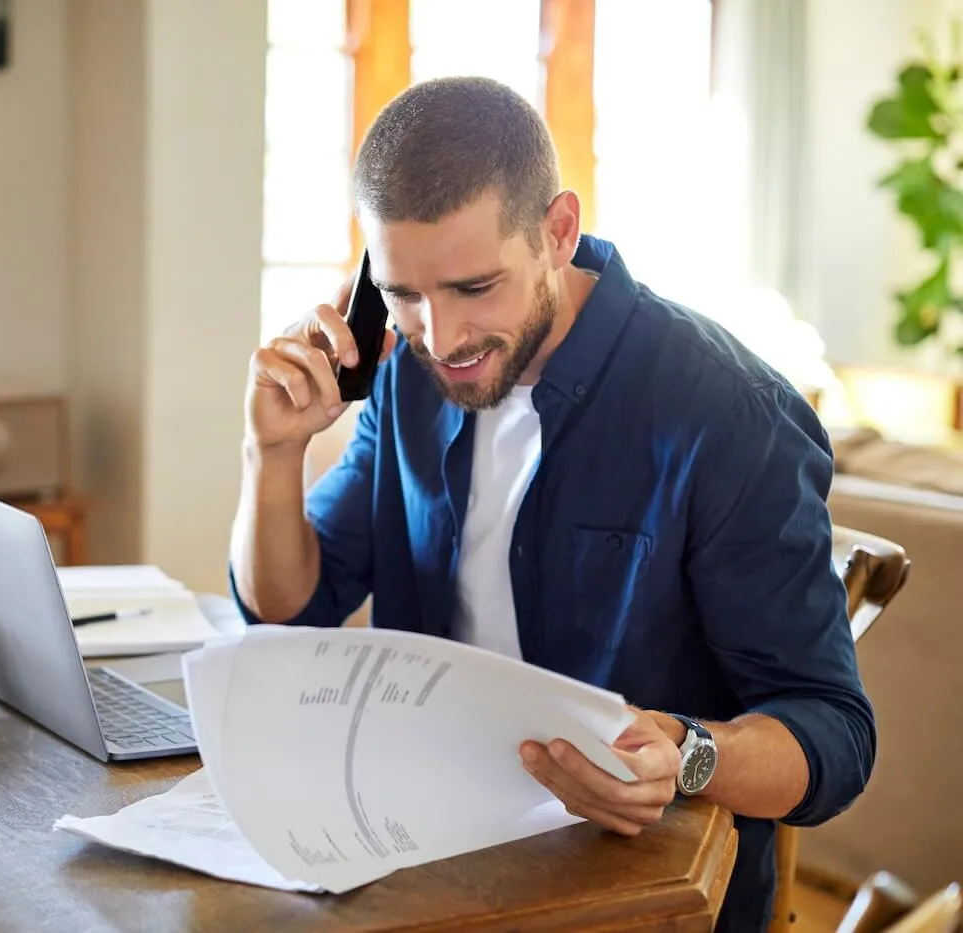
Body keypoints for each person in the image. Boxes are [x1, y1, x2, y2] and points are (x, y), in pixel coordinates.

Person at [228, 76, 873, 933]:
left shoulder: (728, 415)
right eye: (404, 294)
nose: (443, 336)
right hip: (430, 851)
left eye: (473, 287)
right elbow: (291, 605)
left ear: (558, 232)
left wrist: (688, 756)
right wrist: (272, 453)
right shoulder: (405, 373)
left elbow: (832, 732)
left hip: (645, 894)